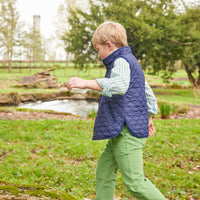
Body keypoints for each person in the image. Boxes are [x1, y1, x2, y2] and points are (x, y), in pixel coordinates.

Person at [66, 21, 166, 200]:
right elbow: (146, 91)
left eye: (98, 49)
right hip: (121, 130)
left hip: (127, 132)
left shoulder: (120, 61)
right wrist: (149, 116)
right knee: (104, 171)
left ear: (109, 45)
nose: (99, 54)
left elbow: (119, 86)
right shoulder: (130, 60)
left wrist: (86, 83)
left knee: (135, 183)